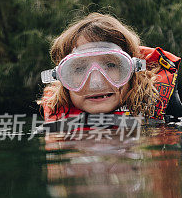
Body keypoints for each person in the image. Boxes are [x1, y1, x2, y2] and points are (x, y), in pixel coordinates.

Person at [39, 13, 182, 122]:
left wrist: (173, 110)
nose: (96, 82)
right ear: (63, 78)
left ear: (132, 69)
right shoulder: (58, 127)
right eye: (79, 69)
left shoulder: (164, 113)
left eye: (110, 65)